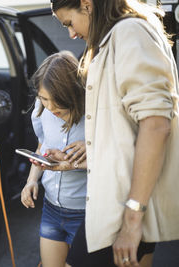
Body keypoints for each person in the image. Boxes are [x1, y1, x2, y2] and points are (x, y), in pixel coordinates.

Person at [51, 0, 179, 267]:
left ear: (86, 4)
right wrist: (73, 162)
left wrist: (132, 221)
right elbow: (127, 138)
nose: (71, 34)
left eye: (68, 23)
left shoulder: (129, 32)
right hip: (120, 201)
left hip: (125, 208)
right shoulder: (116, 37)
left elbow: (156, 125)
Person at [20, 50, 87, 267]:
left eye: (54, 101)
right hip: (51, 209)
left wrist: (78, 159)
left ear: (71, 94)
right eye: (43, 98)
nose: (49, 107)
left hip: (86, 213)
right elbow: (43, 145)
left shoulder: (95, 115)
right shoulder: (43, 108)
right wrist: (31, 180)